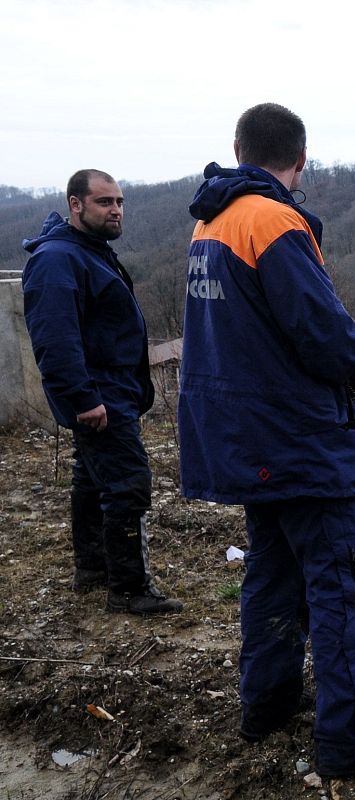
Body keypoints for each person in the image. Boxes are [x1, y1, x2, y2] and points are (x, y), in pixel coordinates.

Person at [177, 103, 355, 779]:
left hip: (246, 440)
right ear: (302, 160)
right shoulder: (274, 221)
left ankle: (267, 705)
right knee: (342, 590)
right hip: (299, 443)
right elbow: (325, 335)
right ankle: (352, 744)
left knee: (272, 578)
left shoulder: (211, 221)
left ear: (237, 148)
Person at [22, 170, 184, 615]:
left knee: (92, 478)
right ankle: (129, 588)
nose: (116, 210)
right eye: (104, 202)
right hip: (99, 393)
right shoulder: (59, 259)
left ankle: (93, 569)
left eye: (119, 201)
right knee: (128, 484)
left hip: (111, 389)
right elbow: (54, 339)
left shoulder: (91, 252)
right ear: (76, 205)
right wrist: (82, 397)